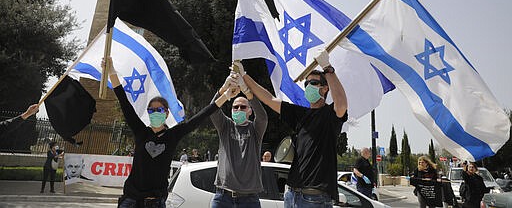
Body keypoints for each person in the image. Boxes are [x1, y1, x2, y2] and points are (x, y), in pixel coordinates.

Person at [103, 57, 237, 208]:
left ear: (166, 113)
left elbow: (201, 116)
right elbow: (124, 102)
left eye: (159, 110)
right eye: (151, 110)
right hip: (131, 201)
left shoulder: (173, 136)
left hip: (155, 202)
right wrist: (111, 71)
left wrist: (225, 96)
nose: (155, 113)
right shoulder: (141, 131)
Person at [233, 49, 348, 208]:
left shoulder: (330, 115)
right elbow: (269, 99)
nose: (309, 87)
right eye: (307, 84)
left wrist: (328, 68)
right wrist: (244, 76)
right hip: (292, 195)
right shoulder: (301, 114)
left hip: (315, 198)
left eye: (313, 83)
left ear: (325, 88)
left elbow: (341, 104)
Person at [210, 71, 268, 208]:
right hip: (223, 197)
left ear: (250, 111)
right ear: (231, 110)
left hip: (249, 199)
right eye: (235, 107)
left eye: (243, 107)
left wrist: (247, 91)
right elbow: (212, 110)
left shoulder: (255, 130)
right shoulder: (226, 125)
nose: (239, 109)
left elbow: (262, 117)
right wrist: (224, 91)